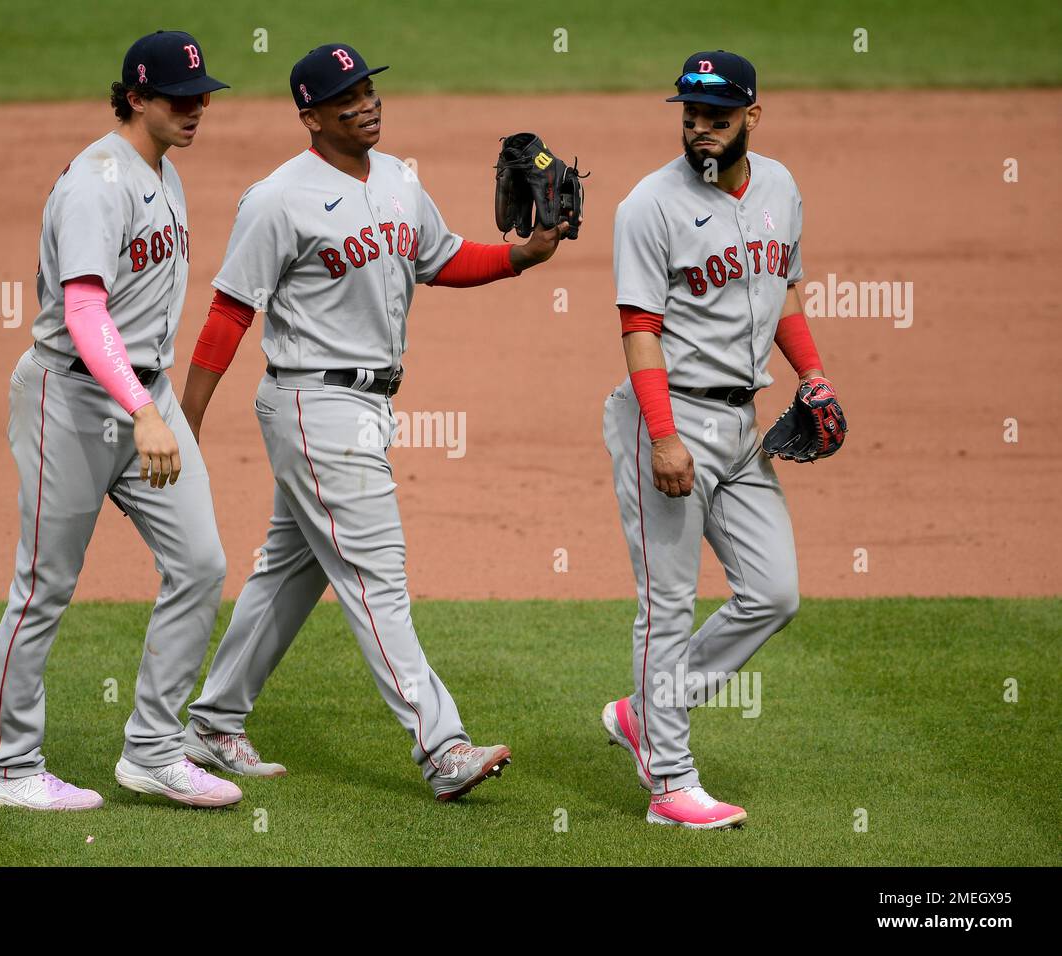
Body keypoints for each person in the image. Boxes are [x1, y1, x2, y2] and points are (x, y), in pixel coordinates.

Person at [179, 43, 571, 801]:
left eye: (367, 88)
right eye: (344, 96)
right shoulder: (277, 198)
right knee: (375, 576)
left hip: (367, 404)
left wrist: (523, 256)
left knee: (289, 574)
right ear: (311, 116)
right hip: (313, 401)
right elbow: (230, 311)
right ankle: (442, 746)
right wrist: (184, 420)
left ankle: (211, 722)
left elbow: (442, 255)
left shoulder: (398, 179)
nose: (365, 102)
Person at [0, 31, 241, 811]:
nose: (196, 110)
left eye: (202, 97)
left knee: (200, 565)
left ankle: (154, 749)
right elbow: (84, 310)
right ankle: (8, 764)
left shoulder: (162, 172)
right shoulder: (97, 181)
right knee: (44, 585)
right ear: (134, 97)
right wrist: (143, 411)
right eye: (179, 99)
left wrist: (154, 408)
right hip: (75, 397)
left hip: (138, 396)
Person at [601, 50, 843, 829]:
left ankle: (646, 712)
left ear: (752, 117)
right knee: (667, 607)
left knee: (773, 593)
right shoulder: (649, 205)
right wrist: (665, 437)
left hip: (744, 428)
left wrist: (813, 377)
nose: (700, 130)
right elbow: (639, 330)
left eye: (718, 117)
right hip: (665, 421)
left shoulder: (779, 186)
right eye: (690, 116)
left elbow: (786, 295)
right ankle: (670, 783)